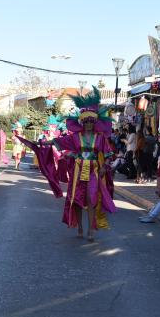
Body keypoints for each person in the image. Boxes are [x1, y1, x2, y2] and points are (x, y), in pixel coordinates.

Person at [18, 87, 115, 241]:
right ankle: (81, 228)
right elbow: (58, 141)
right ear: (82, 122)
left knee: (91, 199)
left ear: (94, 122)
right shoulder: (75, 137)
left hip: (93, 171)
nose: (88, 124)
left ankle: (90, 229)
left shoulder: (100, 138)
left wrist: (104, 167)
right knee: (76, 200)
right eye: (86, 121)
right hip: (77, 170)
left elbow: (109, 155)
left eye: (91, 121)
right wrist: (42, 142)